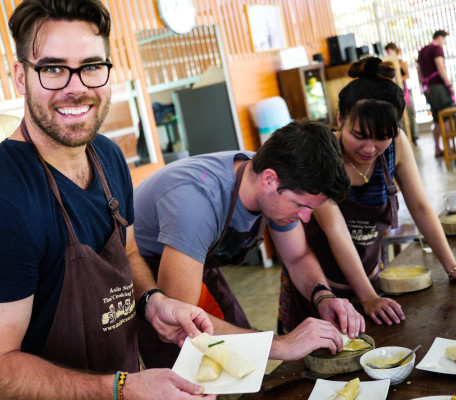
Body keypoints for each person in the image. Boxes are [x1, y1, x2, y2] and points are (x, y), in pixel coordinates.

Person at [0, 1, 216, 399]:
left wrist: (152, 301)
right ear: (21, 77)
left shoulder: (108, 157)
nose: (77, 87)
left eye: (91, 66)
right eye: (53, 68)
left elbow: (130, 253)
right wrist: (124, 389)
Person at [278, 57, 456, 334]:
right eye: (359, 135)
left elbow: (421, 207)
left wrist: (453, 267)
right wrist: (367, 298)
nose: (370, 147)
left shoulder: (396, 144)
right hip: (320, 291)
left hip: (371, 279)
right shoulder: (324, 154)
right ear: (341, 119)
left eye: (382, 136)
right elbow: (336, 230)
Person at [133, 120, 366, 368]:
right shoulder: (196, 204)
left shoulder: (275, 175)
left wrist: (323, 297)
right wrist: (283, 344)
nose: (306, 218)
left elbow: (297, 257)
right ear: (269, 180)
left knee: (242, 363)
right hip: (144, 274)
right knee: (185, 371)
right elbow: (180, 320)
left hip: (195, 263)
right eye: (301, 205)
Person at [417, 30, 453, 157]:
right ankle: (448, 148)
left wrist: (422, 86)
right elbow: (440, 67)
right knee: (446, 117)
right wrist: (448, 84)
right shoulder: (436, 49)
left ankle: (437, 148)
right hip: (438, 87)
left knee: (436, 120)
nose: (444, 43)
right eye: (444, 40)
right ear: (439, 37)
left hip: (429, 89)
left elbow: (419, 70)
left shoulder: (422, 50)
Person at [385, 42, 419, 145]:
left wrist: (398, 79)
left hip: (405, 91)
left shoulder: (401, 62)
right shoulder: (388, 64)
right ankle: (405, 139)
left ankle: (414, 137)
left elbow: (407, 75)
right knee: (400, 117)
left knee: (410, 114)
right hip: (395, 92)